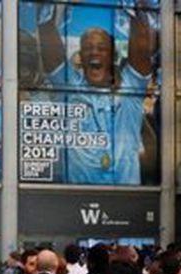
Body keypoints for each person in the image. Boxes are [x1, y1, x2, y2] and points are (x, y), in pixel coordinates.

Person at [37, 1, 157, 185]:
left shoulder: (130, 86)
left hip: (127, 198)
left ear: (112, 56)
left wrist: (136, 9)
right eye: (87, 48)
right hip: (76, 198)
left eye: (102, 48)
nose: (94, 52)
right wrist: (46, 9)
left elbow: (141, 45)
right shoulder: (68, 86)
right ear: (81, 56)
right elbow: (49, 44)